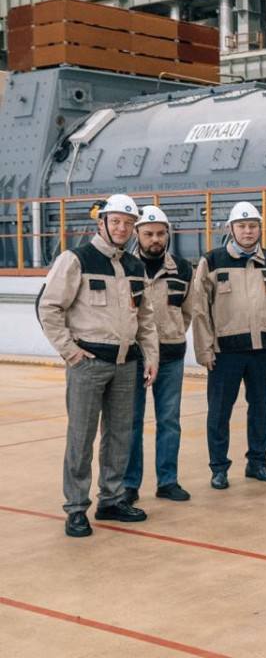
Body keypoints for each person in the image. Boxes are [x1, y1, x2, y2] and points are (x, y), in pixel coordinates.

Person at [39, 194, 158, 537]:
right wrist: (71, 352)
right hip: (88, 365)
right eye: (116, 221)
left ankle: (112, 499)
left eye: (128, 223)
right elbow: (49, 307)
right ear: (101, 222)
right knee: (82, 437)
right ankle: (76, 507)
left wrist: (151, 357)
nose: (122, 228)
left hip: (126, 364)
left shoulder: (135, 266)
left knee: (120, 436)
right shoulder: (76, 259)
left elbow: (146, 318)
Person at [193, 201, 266, 490]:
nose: (248, 231)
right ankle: (219, 467)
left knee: (260, 409)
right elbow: (199, 308)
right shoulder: (213, 260)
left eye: (253, 226)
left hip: (262, 350)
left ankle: (257, 462)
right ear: (231, 229)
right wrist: (204, 349)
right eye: (242, 226)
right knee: (220, 411)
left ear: (260, 229)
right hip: (224, 353)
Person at [122, 205, 196, 505]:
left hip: (171, 357)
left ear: (168, 234)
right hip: (133, 358)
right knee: (132, 423)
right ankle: (129, 484)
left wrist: (172, 333)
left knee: (169, 421)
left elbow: (188, 312)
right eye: (149, 233)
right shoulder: (124, 266)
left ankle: (167, 481)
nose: (155, 239)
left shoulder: (183, 269)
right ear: (137, 234)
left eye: (160, 234)